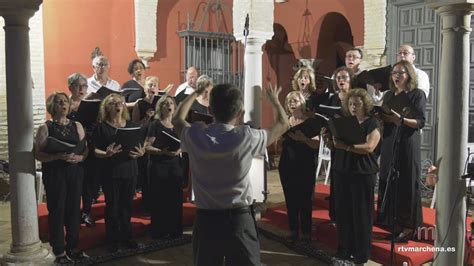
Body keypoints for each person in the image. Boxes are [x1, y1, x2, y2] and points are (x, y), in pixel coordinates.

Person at [172, 83, 288, 265]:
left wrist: (195, 93)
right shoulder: (247, 137)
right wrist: (274, 101)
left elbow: (177, 119)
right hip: (239, 219)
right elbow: (283, 123)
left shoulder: (196, 136)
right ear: (240, 112)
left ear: (209, 110)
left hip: (207, 219)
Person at [323, 88, 381, 264]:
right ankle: (344, 250)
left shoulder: (372, 123)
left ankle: (361, 254)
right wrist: (328, 140)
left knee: (361, 214)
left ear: (365, 104)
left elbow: (370, 147)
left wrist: (347, 147)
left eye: (357, 103)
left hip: (362, 172)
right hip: (342, 170)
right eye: (350, 104)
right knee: (344, 213)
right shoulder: (343, 122)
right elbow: (336, 146)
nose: (353, 107)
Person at [34, 92, 89, 263]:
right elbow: (38, 154)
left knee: (73, 210)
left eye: (65, 101)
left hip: (74, 171)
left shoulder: (77, 125)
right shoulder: (46, 127)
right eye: (59, 102)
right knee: (57, 210)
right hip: (55, 173)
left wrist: (80, 158)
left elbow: (85, 149)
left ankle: (73, 247)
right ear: (52, 106)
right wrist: (56, 157)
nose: (63, 104)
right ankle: (59, 250)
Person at [376, 60, 426, 243]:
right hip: (390, 140)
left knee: (406, 182)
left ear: (409, 75)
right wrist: (380, 116)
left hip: (408, 142)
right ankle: (394, 224)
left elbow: (420, 121)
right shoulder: (389, 95)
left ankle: (409, 227)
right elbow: (385, 118)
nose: (396, 76)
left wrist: (401, 119)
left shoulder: (416, 95)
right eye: (394, 73)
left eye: (401, 73)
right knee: (390, 180)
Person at [92, 94, 146, 252]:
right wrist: (106, 154)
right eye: (112, 103)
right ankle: (112, 240)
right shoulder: (102, 127)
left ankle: (127, 237)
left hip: (130, 169)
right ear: (106, 108)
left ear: (123, 107)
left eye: (119, 102)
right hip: (111, 171)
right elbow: (94, 150)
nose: (117, 105)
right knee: (113, 206)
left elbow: (140, 145)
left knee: (127, 206)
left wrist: (141, 152)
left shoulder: (131, 125)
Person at [278, 91, 319, 243]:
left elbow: (316, 143)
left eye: (295, 100)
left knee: (305, 199)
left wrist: (303, 139)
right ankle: (293, 230)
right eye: (289, 101)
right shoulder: (286, 121)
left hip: (305, 163)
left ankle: (306, 232)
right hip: (287, 163)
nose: (292, 103)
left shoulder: (310, 120)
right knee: (291, 198)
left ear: (302, 102)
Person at [145, 96, 183, 239]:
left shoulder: (178, 124)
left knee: (175, 198)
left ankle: (174, 231)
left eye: (171, 103)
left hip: (175, 165)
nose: (168, 105)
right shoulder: (155, 124)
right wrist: (162, 151)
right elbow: (147, 146)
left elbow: (185, 143)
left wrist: (179, 150)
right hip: (159, 165)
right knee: (160, 198)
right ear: (160, 107)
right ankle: (159, 231)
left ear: (175, 107)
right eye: (165, 103)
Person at [66, 73, 99, 227]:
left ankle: (86, 212)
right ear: (70, 88)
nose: (82, 89)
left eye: (84, 86)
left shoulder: (90, 103)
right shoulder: (65, 104)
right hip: (72, 147)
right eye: (78, 86)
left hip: (89, 145)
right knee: (74, 183)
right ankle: (72, 213)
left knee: (89, 181)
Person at [324, 66, 355, 222]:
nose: (341, 80)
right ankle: (335, 215)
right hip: (336, 143)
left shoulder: (356, 97)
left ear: (350, 79)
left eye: (344, 77)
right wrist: (327, 137)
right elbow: (328, 119)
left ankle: (349, 215)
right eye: (338, 78)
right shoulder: (332, 98)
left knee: (349, 180)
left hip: (352, 145)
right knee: (336, 179)